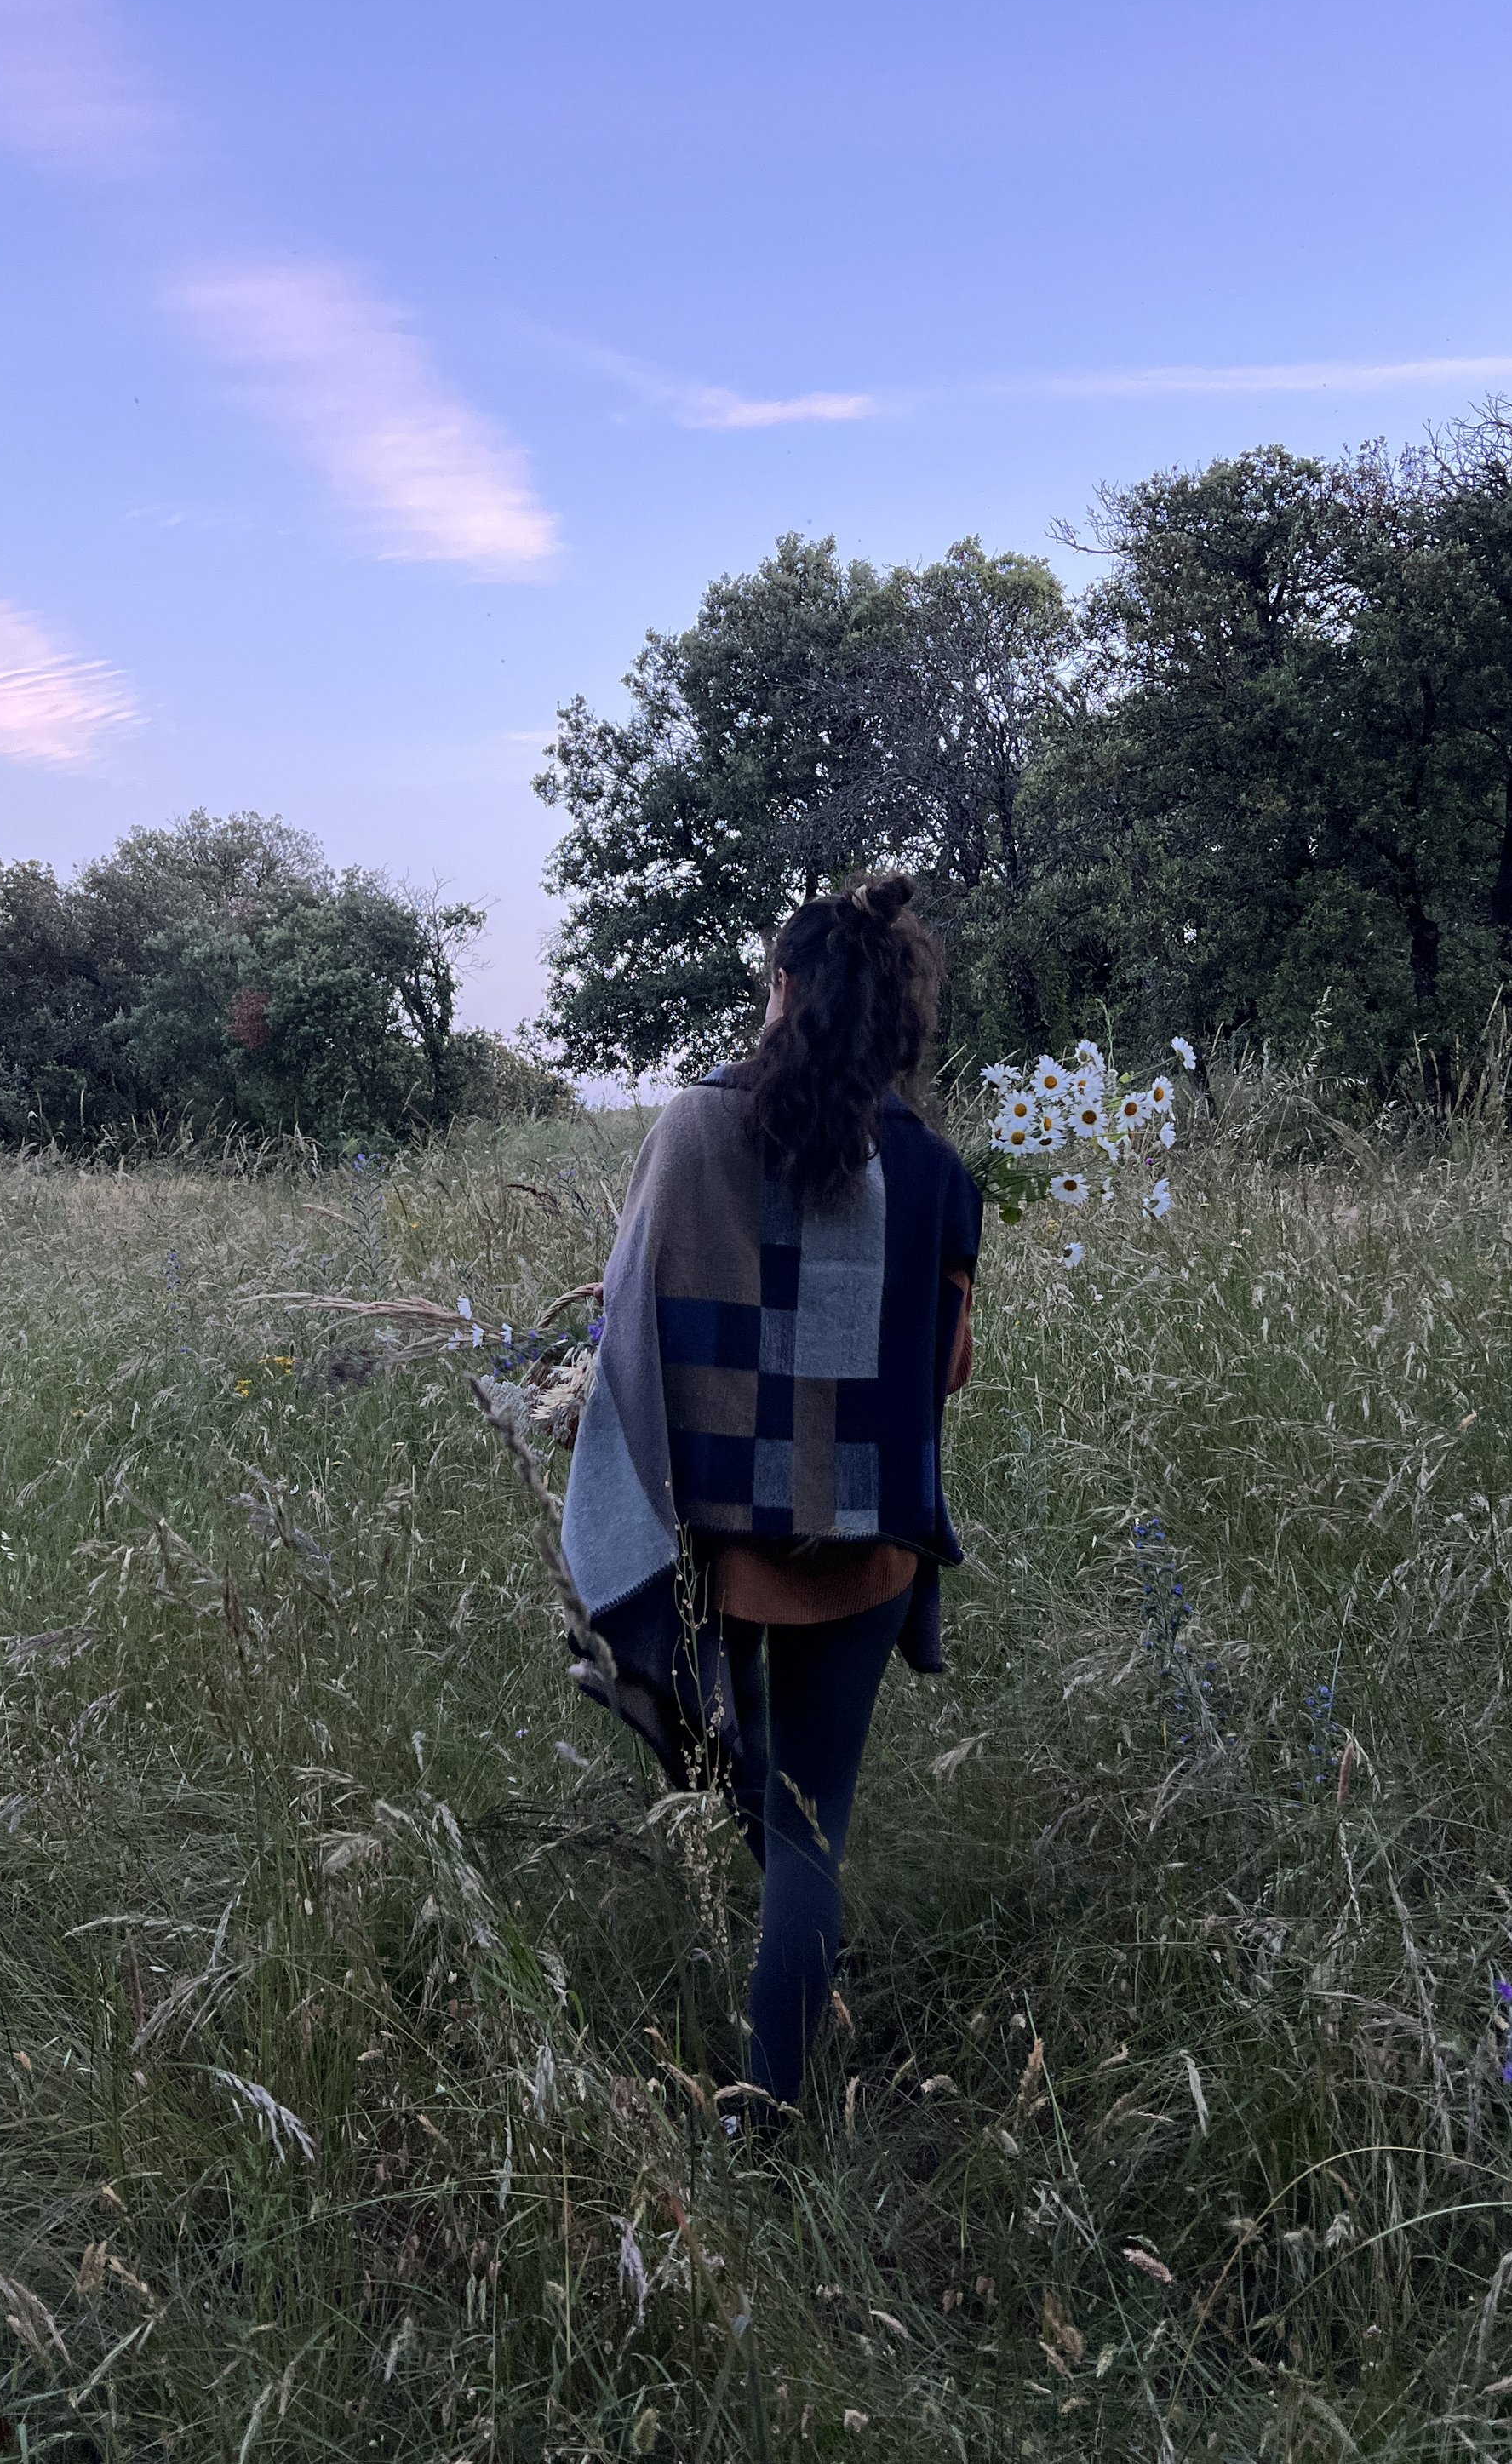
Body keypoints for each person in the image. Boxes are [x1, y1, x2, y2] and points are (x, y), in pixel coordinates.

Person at [558, 875, 980, 2113]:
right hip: (872, 1559)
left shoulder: (691, 1131)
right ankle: (789, 2068)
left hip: (738, 1550)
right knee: (810, 1829)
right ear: (896, 1016)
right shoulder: (937, 1174)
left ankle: (776, 2081)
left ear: (785, 993)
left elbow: (627, 1324)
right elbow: (945, 1370)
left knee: (757, 1787)